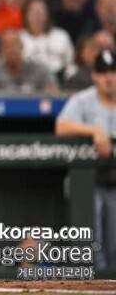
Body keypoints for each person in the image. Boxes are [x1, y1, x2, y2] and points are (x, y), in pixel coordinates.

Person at [56, 49, 116, 268]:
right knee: (92, 247)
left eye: (112, 72)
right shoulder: (83, 100)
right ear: (94, 76)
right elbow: (61, 127)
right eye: (102, 72)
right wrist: (94, 130)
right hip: (90, 183)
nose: (108, 78)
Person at [0, 29, 57, 93]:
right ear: (1, 50)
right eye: (7, 46)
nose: (12, 49)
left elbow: (54, 94)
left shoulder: (40, 71)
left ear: (22, 46)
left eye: (15, 44)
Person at [19, 0, 74, 78]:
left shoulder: (61, 36)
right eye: (34, 12)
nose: (37, 16)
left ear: (47, 14)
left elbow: (71, 63)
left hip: (59, 78)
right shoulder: (19, 37)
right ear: (25, 15)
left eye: (41, 12)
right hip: (28, 79)